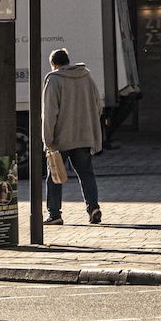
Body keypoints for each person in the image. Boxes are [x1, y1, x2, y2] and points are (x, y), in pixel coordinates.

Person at [38, 47, 105, 225]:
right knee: (86, 173)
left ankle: (54, 214)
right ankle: (93, 208)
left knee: (54, 176)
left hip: (61, 138)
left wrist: (48, 140)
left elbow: (49, 113)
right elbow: (98, 105)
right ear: (68, 61)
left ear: (53, 64)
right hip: (84, 136)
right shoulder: (86, 76)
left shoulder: (54, 80)